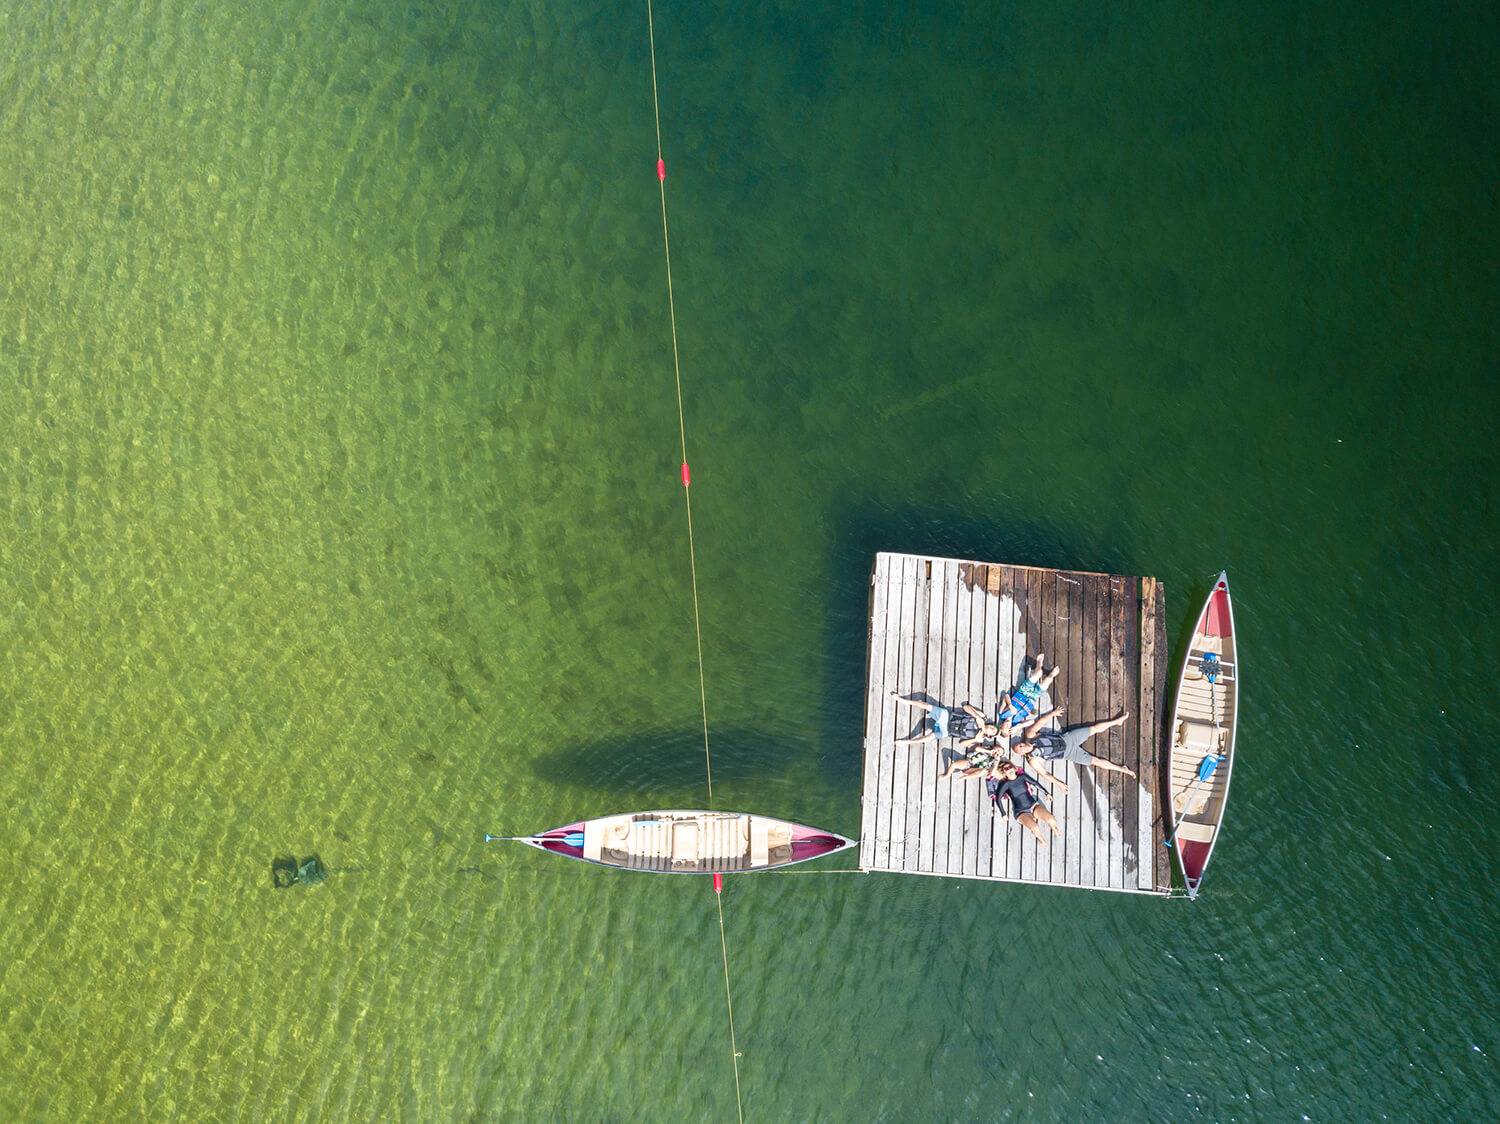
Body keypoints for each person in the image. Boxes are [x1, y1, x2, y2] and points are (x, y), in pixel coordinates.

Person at [1014, 712, 1135, 781]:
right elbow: (1044, 774)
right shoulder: (1033, 760)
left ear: (1021, 742)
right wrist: (1059, 783)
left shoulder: (1030, 735)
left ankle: (1117, 721)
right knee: (1095, 761)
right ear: (1021, 754)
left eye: (1020, 745)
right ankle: (1122, 769)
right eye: (1020, 749)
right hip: (1068, 754)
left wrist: (1053, 713)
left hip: (1067, 738)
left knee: (1094, 728)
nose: (1022, 747)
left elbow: (1040, 722)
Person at [986, 760, 1061, 844]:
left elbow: (1035, 783)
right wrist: (1003, 814)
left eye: (1010, 767)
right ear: (1004, 772)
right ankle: (1041, 839)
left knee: (1051, 819)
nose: (1009, 769)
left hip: (1033, 805)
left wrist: (1046, 793)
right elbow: (998, 799)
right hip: (1020, 812)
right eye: (1006, 768)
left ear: (1014, 769)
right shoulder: (1004, 784)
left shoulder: (1022, 777)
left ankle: (1054, 828)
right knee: (1035, 827)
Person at [889, 692, 997, 750]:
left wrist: (974, 739)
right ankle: (904, 700)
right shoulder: (982, 717)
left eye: (992, 731)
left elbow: (962, 744)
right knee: (926, 705)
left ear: (989, 736)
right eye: (993, 727)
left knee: (928, 738)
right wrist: (977, 716)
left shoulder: (979, 739)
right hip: (948, 717)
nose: (991, 729)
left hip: (947, 731)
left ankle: (906, 742)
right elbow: (966, 707)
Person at [995, 653, 1061, 735]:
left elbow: (1006, 696)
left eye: (1006, 728)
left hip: (1023, 691)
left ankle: (1039, 663)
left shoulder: (1002, 714)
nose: (1009, 726)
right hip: (1033, 698)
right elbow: (1031, 721)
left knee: (1039, 673)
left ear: (1001, 725)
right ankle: (1051, 674)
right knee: (1048, 680)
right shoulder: (1016, 722)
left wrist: (1010, 706)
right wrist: (1018, 726)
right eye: (1009, 729)